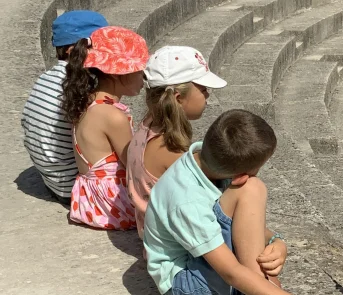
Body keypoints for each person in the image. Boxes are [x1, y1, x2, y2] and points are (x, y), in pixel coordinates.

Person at [144, 109, 324, 295]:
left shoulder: (206, 161)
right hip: (192, 289)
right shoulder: (186, 200)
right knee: (253, 189)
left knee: (251, 190)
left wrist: (276, 241)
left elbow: (241, 223)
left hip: (203, 265)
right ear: (239, 176)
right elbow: (229, 271)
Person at [127, 45, 227, 242]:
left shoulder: (147, 127)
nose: (208, 96)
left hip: (156, 233)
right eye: (204, 89)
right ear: (178, 98)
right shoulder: (169, 149)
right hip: (174, 243)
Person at [61, 26, 149, 230]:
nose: (143, 78)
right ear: (119, 73)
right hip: (113, 205)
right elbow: (135, 165)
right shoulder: (113, 116)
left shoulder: (86, 101)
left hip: (88, 200)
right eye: (139, 71)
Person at [21, 10, 108, 205]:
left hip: (52, 181)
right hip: (73, 187)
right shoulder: (80, 85)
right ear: (75, 50)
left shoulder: (47, 77)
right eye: (101, 46)